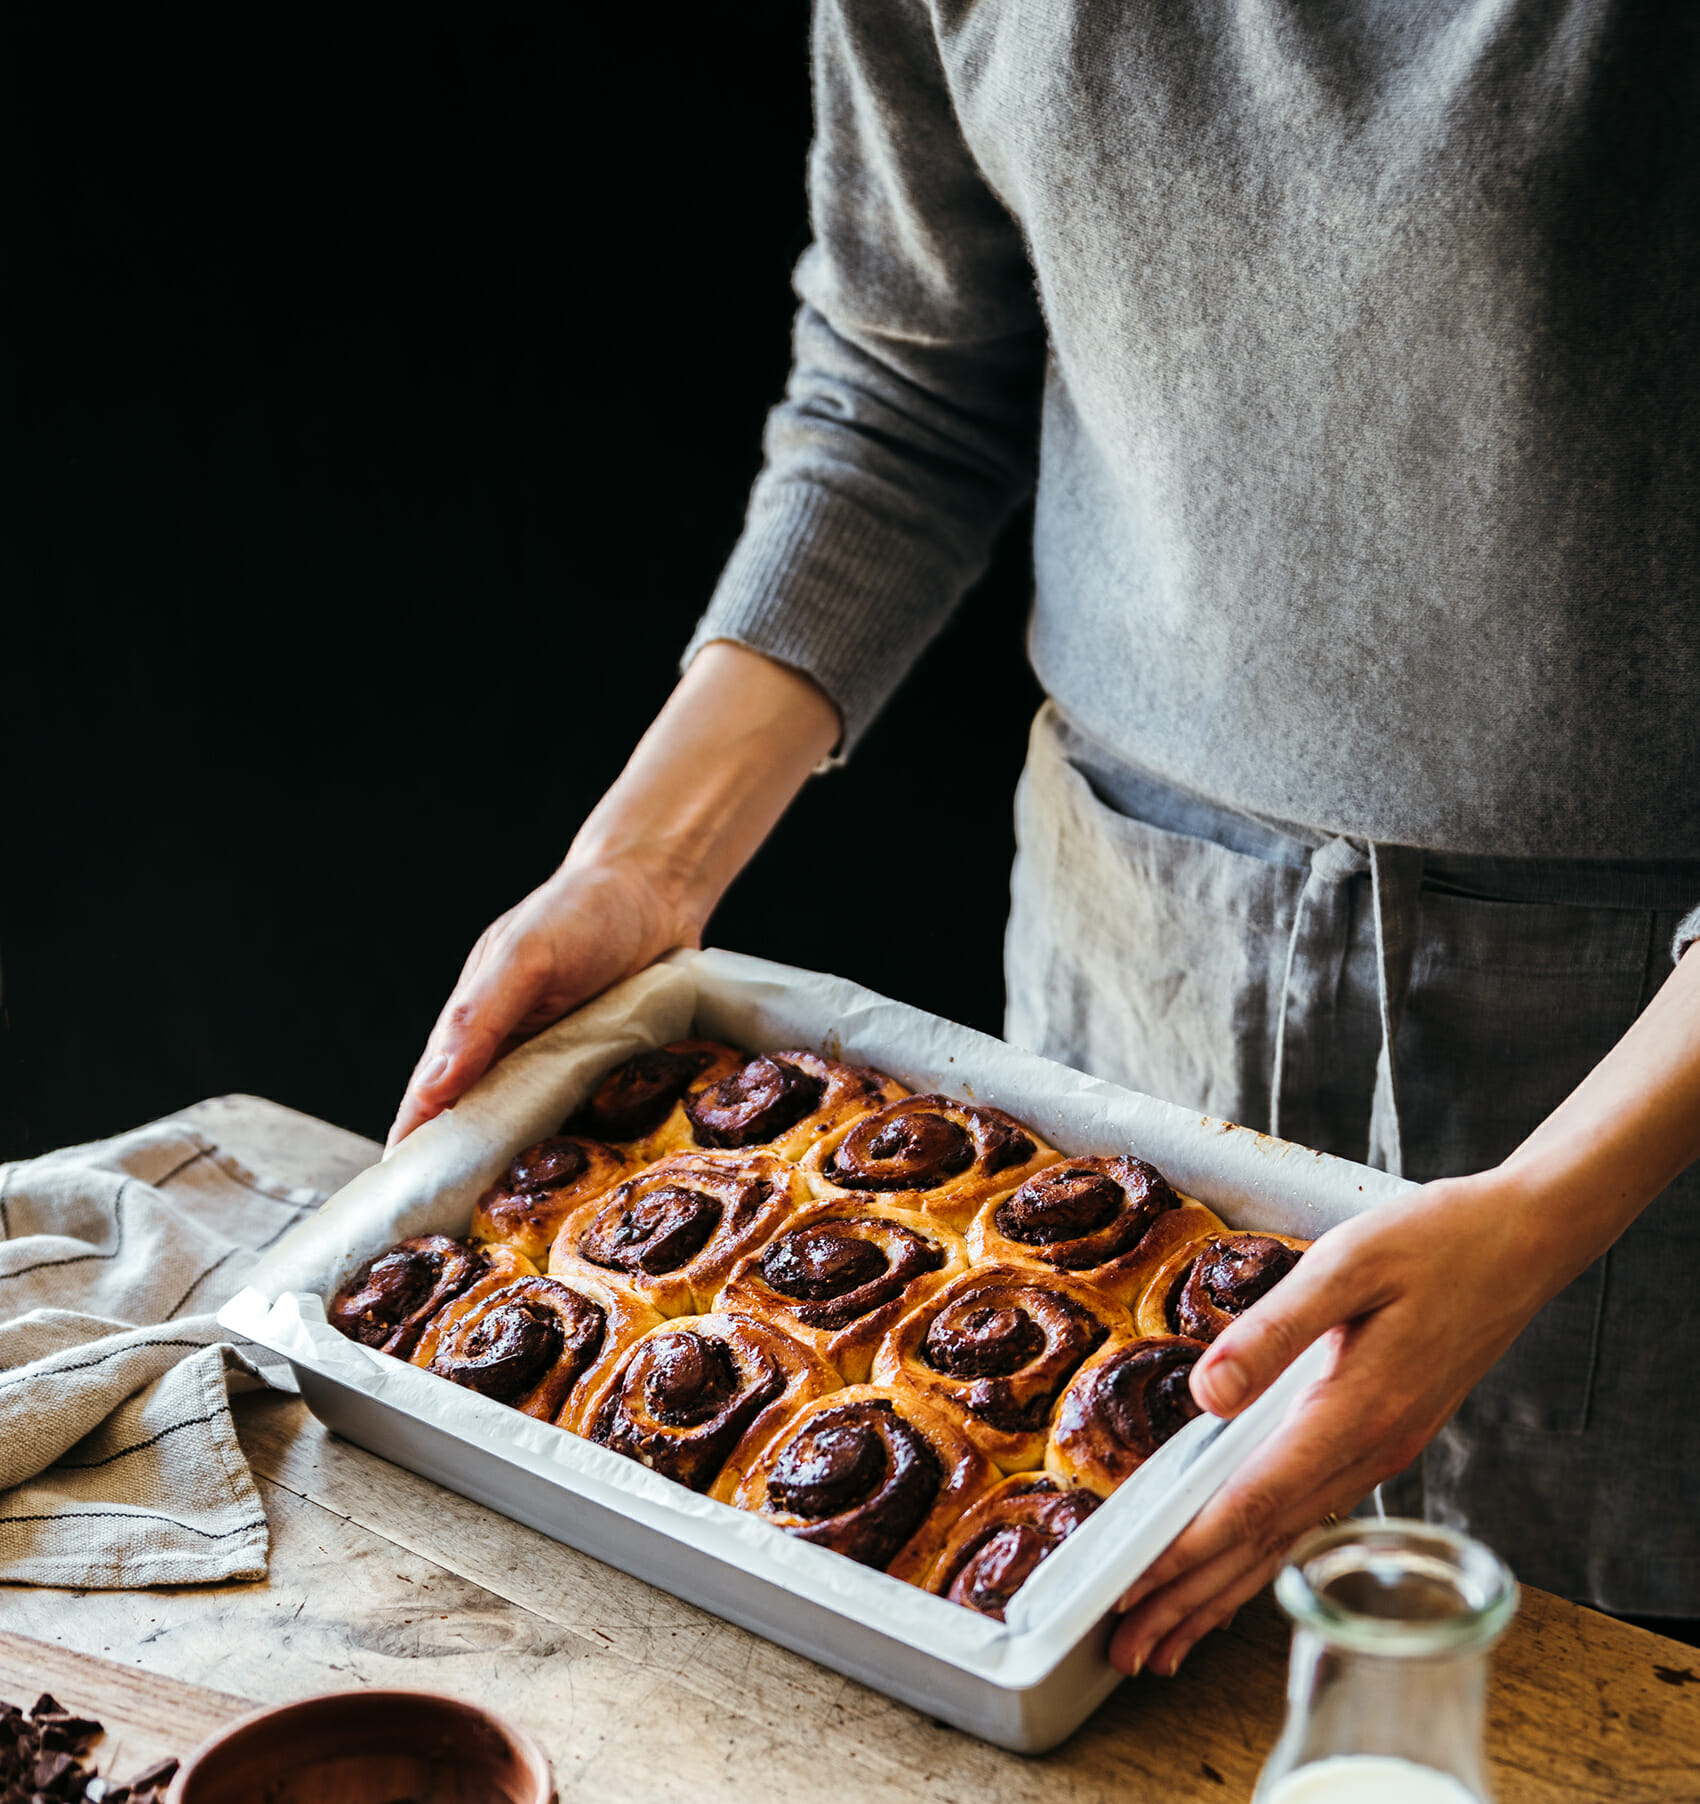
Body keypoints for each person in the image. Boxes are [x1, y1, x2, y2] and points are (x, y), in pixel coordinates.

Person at [391, 2, 1700, 1666]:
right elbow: (905, 385)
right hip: (1132, 968)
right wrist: (639, 866)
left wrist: (1546, 1210)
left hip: (1637, 1097)